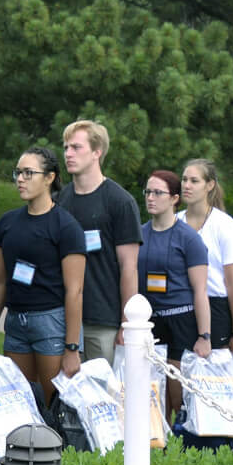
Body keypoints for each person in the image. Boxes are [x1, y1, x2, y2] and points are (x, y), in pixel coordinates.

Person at [0, 147, 86, 406]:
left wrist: (72, 348)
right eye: (18, 172)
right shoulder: (8, 223)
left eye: (29, 173)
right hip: (16, 323)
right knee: (19, 403)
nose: (20, 179)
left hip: (51, 323)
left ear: (50, 178)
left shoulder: (66, 226)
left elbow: (74, 291)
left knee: (54, 405)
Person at [55, 120, 140, 364]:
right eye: (66, 147)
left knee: (105, 397)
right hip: (64, 318)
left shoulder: (119, 201)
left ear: (96, 152)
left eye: (76, 147)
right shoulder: (61, 199)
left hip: (103, 320)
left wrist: (127, 323)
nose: (68, 154)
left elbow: (129, 267)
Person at [141, 170, 212, 411]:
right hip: (148, 320)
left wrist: (204, 336)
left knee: (175, 382)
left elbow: (200, 291)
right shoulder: (139, 234)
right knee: (148, 381)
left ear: (174, 198)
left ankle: (176, 436)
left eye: (158, 193)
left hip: (180, 319)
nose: (151, 197)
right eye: (148, 192)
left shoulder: (189, 238)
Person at [179, 158, 233, 357]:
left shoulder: (224, 224)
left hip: (215, 308)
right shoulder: (175, 221)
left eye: (194, 181)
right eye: (184, 180)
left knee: (213, 378)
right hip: (180, 305)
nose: (187, 186)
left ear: (210, 185)